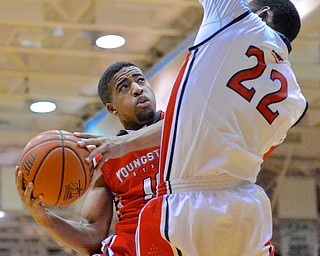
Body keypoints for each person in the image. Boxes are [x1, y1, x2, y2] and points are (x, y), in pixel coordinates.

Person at [77, 0, 308, 255]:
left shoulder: (234, 17)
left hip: (189, 200)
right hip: (247, 202)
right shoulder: (296, 102)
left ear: (263, 15)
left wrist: (121, 144)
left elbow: (185, 122)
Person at [15, 60, 165, 256]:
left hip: (184, 236)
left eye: (140, 80)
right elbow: (92, 236)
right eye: (124, 87)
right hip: (132, 248)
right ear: (112, 109)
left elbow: (178, 126)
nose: (137, 89)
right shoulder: (106, 160)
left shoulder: (179, 121)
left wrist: (123, 144)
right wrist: (43, 217)